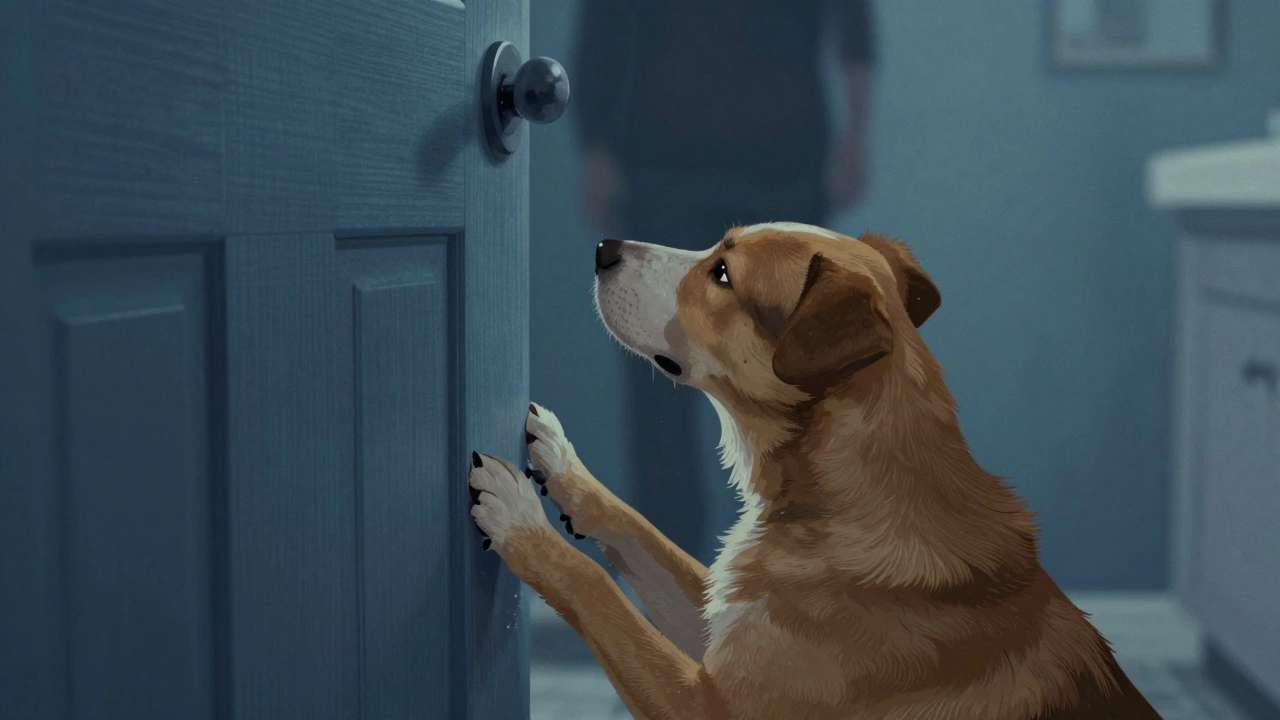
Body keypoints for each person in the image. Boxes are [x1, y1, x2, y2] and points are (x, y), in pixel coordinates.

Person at [571, 0, 878, 565]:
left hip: (782, 161)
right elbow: (604, 21)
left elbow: (851, 18)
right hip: (661, 159)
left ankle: (795, 580)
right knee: (662, 383)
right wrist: (595, 148)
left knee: (791, 378)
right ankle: (675, 585)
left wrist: (856, 133)